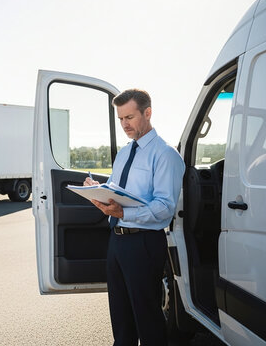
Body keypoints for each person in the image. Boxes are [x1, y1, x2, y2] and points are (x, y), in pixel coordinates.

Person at [84, 89, 185, 345]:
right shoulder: (124, 153)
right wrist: (97, 190)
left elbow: (165, 207)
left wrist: (124, 212)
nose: (124, 124)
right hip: (117, 242)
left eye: (129, 117)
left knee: (148, 320)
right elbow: (118, 191)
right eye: (120, 119)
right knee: (121, 319)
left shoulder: (166, 155)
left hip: (144, 243)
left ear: (147, 113)